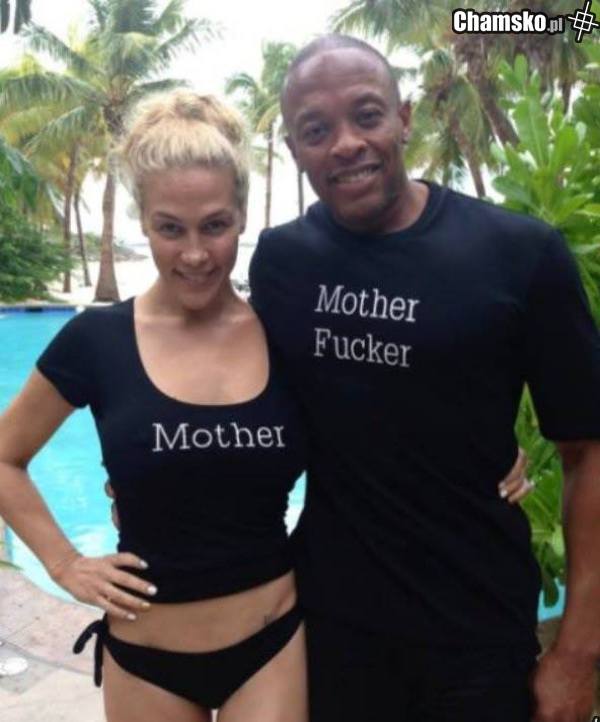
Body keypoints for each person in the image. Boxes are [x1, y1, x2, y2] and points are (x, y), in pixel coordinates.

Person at [247, 35, 600, 722]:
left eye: (367, 115)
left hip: (478, 637)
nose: (346, 144)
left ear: (405, 118)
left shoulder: (519, 254)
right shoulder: (283, 262)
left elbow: (588, 451)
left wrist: (579, 652)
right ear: (294, 149)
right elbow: (247, 405)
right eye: (316, 131)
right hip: (331, 634)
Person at [0, 91, 309, 722]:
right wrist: (64, 563)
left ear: (241, 218)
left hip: (271, 644)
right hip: (148, 660)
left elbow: (377, 418)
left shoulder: (284, 334)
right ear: (143, 221)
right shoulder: (97, 341)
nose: (195, 254)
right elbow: (5, 457)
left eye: (215, 226)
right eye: (171, 228)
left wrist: (489, 453)